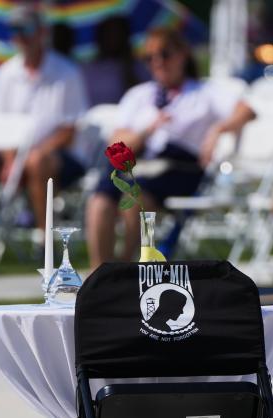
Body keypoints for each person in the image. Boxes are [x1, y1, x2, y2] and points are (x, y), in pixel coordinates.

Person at [84, 27, 251, 269]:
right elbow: (115, 145)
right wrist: (147, 129)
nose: (157, 62)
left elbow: (246, 111)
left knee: (133, 198)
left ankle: (128, 268)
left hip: (182, 167)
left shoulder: (203, 91)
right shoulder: (140, 95)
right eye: (149, 57)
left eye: (164, 54)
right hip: (141, 163)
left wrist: (217, 130)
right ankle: (98, 273)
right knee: (100, 200)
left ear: (182, 54)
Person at [0, 7, 88, 235]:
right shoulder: (4, 74)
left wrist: (23, 159)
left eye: (25, 28)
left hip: (59, 155)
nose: (19, 35)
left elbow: (69, 131)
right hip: (13, 154)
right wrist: (11, 161)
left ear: (42, 32)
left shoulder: (68, 72)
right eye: (14, 29)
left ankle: (43, 239)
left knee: (37, 161)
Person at [80, 15, 149, 106]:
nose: (113, 39)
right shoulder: (86, 71)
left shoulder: (140, 68)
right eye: (108, 33)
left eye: (118, 33)